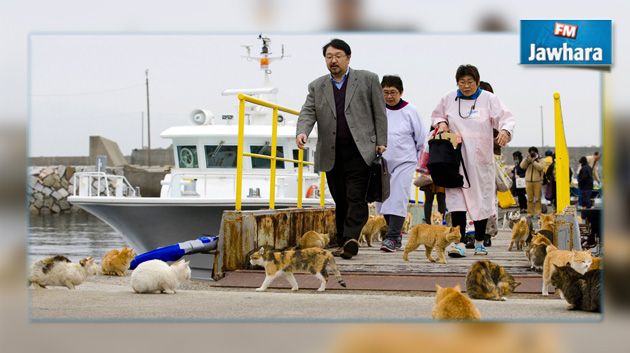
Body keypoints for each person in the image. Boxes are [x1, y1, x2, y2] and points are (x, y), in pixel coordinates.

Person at [296, 38, 387, 260]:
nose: (333, 60)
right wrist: (303, 131)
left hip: (361, 149)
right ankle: (342, 237)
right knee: (341, 198)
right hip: (331, 151)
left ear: (348, 57)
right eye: (329, 57)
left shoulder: (367, 79)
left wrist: (381, 140)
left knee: (356, 196)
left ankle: (350, 239)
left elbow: (379, 111)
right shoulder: (317, 86)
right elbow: (308, 112)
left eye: (338, 56)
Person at [432, 64, 515, 257]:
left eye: (470, 82)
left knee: (481, 201)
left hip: (480, 159)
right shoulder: (448, 98)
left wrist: (504, 131)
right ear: (457, 83)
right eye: (462, 82)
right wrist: (442, 123)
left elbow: (507, 118)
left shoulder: (489, 99)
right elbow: (436, 115)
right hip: (454, 158)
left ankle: (479, 241)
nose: (466, 86)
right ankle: (459, 243)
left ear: (477, 82)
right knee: (457, 202)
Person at [376, 75, 427, 252]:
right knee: (383, 200)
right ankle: (395, 235)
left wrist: (422, 164)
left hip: (405, 160)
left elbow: (420, 138)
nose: (389, 96)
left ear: (401, 92)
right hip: (382, 161)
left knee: (397, 197)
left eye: (393, 92)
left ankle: (392, 237)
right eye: (386, 92)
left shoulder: (410, 111)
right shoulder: (377, 110)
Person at [520, 146, 545, 216]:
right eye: (530, 152)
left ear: (537, 152)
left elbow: (540, 167)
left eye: (534, 152)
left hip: (537, 181)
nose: (532, 154)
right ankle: (530, 213)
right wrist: (526, 159)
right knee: (529, 199)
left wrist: (533, 161)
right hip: (528, 181)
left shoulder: (540, 159)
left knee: (537, 198)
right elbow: (522, 166)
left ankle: (538, 212)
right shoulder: (527, 159)